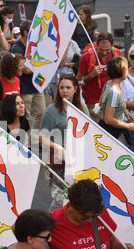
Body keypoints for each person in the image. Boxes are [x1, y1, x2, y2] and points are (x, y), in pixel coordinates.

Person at [39, 75, 89, 210]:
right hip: (58, 163)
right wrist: (57, 147)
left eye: (68, 87)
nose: (64, 91)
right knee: (60, 200)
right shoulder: (52, 111)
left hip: (78, 161)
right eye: (61, 87)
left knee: (74, 199)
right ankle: (50, 227)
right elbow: (41, 137)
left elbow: (89, 132)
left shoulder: (82, 108)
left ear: (75, 89)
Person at [78, 32, 121, 123]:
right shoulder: (86, 57)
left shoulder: (116, 54)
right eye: (101, 49)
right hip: (93, 102)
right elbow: (78, 81)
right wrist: (91, 75)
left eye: (108, 50)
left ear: (112, 45)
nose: (105, 53)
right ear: (96, 45)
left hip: (112, 99)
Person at [11, 20, 47, 130]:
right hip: (25, 88)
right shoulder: (17, 48)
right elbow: (25, 70)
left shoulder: (36, 45)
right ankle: (25, 139)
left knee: (41, 112)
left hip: (38, 85)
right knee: (25, 115)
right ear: (26, 33)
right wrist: (40, 65)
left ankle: (34, 137)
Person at [100, 56, 134, 139]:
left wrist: (124, 110)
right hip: (110, 132)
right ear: (122, 71)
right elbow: (108, 119)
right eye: (127, 69)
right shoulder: (114, 92)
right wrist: (128, 126)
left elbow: (101, 102)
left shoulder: (108, 83)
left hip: (106, 129)